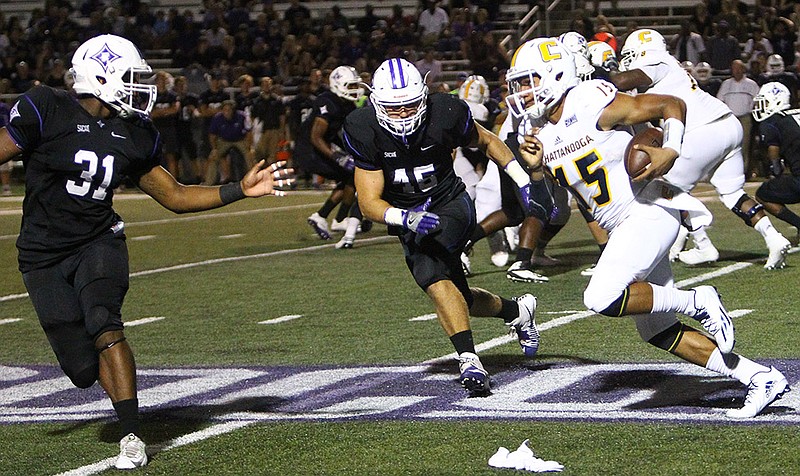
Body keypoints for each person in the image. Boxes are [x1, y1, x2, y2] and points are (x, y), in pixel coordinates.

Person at [0, 34, 292, 469]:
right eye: (132, 78)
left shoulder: (134, 131)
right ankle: (111, 397)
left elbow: (173, 195)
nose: (143, 89)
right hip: (41, 253)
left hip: (98, 241)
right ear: (101, 77)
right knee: (81, 369)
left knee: (104, 321)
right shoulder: (46, 107)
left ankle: (131, 434)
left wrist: (239, 190)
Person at [508, 37, 789, 418]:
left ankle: (699, 300)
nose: (523, 91)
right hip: (624, 224)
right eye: (519, 83)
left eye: (529, 80)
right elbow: (553, 203)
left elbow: (670, 104)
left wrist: (671, 148)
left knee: (601, 296)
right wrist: (538, 170)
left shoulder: (588, 100)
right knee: (657, 330)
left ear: (557, 74)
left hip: (648, 210)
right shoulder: (539, 130)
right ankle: (758, 377)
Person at [344, 58, 542, 395]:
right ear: (376, 103)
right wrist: (403, 217)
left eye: (409, 106)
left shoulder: (445, 111)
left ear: (422, 96)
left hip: (449, 203)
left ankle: (469, 360)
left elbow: (488, 142)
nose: (403, 114)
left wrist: (523, 181)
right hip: (406, 215)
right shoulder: (362, 127)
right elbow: (368, 201)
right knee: (458, 295)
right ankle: (517, 310)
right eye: (394, 108)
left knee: (432, 275)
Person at [613, 29, 792, 269]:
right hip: (726, 124)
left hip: (703, 129)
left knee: (662, 187)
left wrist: (599, 75)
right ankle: (773, 236)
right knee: (732, 194)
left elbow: (621, 81)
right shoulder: (669, 66)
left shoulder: (657, 61)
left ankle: (703, 244)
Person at [297, 66, 363, 245]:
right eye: (350, 86)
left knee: (352, 176)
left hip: (322, 147)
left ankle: (326, 217)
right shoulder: (327, 101)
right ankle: (336, 218)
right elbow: (316, 137)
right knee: (353, 175)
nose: (354, 90)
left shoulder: (346, 104)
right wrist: (338, 157)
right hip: (310, 150)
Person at [751, 82, 800, 243]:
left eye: (764, 101)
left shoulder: (772, 121)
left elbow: (773, 151)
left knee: (763, 194)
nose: (760, 106)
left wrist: (776, 171)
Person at [717, 60, 761, 179]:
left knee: (744, 145)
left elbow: (757, 101)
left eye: (738, 68)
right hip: (729, 118)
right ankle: (727, 171)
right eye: (733, 68)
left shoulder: (751, 84)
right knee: (729, 144)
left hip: (745, 118)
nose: (735, 71)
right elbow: (720, 100)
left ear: (743, 69)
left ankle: (743, 171)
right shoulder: (726, 84)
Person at [205, 99, 255, 185]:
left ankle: (254, 180)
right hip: (223, 140)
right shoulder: (217, 118)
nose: (227, 112)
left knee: (250, 156)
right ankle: (209, 183)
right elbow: (212, 135)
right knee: (213, 157)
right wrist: (214, 148)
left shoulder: (242, 116)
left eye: (229, 110)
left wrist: (249, 146)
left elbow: (249, 132)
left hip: (240, 140)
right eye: (225, 110)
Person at [150, 71, 181, 178]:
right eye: (159, 80)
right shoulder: (152, 96)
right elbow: (150, 113)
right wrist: (165, 112)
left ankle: (174, 180)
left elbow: (175, 109)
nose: (161, 82)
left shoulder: (172, 96)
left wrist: (159, 112)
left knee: (171, 155)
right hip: (156, 128)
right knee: (154, 156)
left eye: (163, 79)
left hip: (169, 128)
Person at [251, 76, 287, 165]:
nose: (266, 86)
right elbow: (253, 117)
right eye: (264, 84)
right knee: (260, 154)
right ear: (261, 86)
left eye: (268, 84)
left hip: (274, 129)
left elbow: (282, 117)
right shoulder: (256, 101)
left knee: (273, 155)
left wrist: (281, 131)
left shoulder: (277, 100)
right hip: (261, 131)